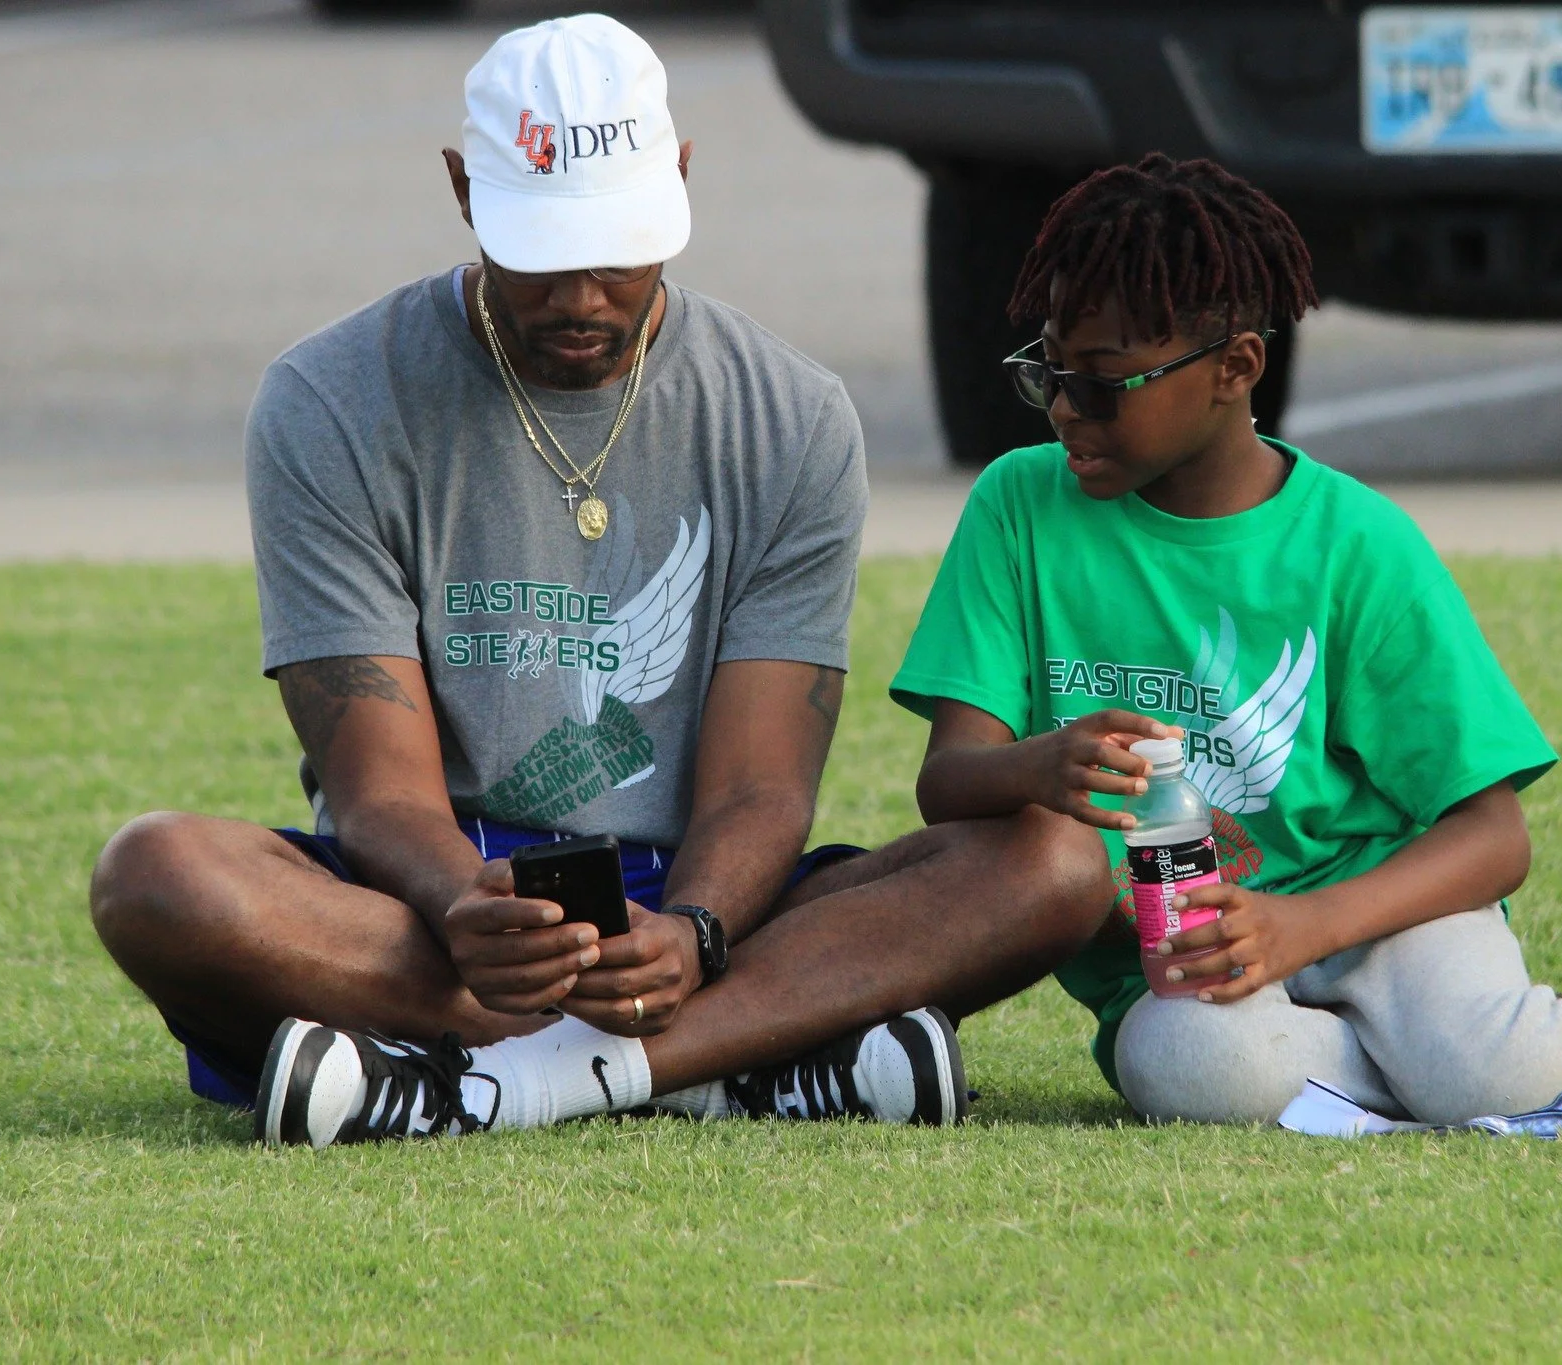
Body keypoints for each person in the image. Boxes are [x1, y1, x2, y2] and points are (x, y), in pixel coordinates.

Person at [87, 15, 1113, 1148]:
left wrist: (698, 932)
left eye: (618, 248)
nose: (581, 296)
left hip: (699, 907)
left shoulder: (791, 414)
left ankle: (471, 1081)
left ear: (679, 182)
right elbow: (381, 794)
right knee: (154, 872)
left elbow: (758, 791)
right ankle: (744, 1061)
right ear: (462, 190)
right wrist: (460, 906)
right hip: (428, 907)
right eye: (541, 250)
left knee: (1053, 862)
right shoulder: (330, 397)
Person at [888, 152, 1562, 1128]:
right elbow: (950, 785)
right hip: (1183, 963)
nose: (1066, 409)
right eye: (1048, 372)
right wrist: (1041, 763)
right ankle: (1519, 1072)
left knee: (1486, 1059)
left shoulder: (1354, 545)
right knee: (1186, 1069)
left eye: (1103, 381)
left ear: (1233, 366)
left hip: (1379, 914)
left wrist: (1305, 926)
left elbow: (1492, 838)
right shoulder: (1018, 506)